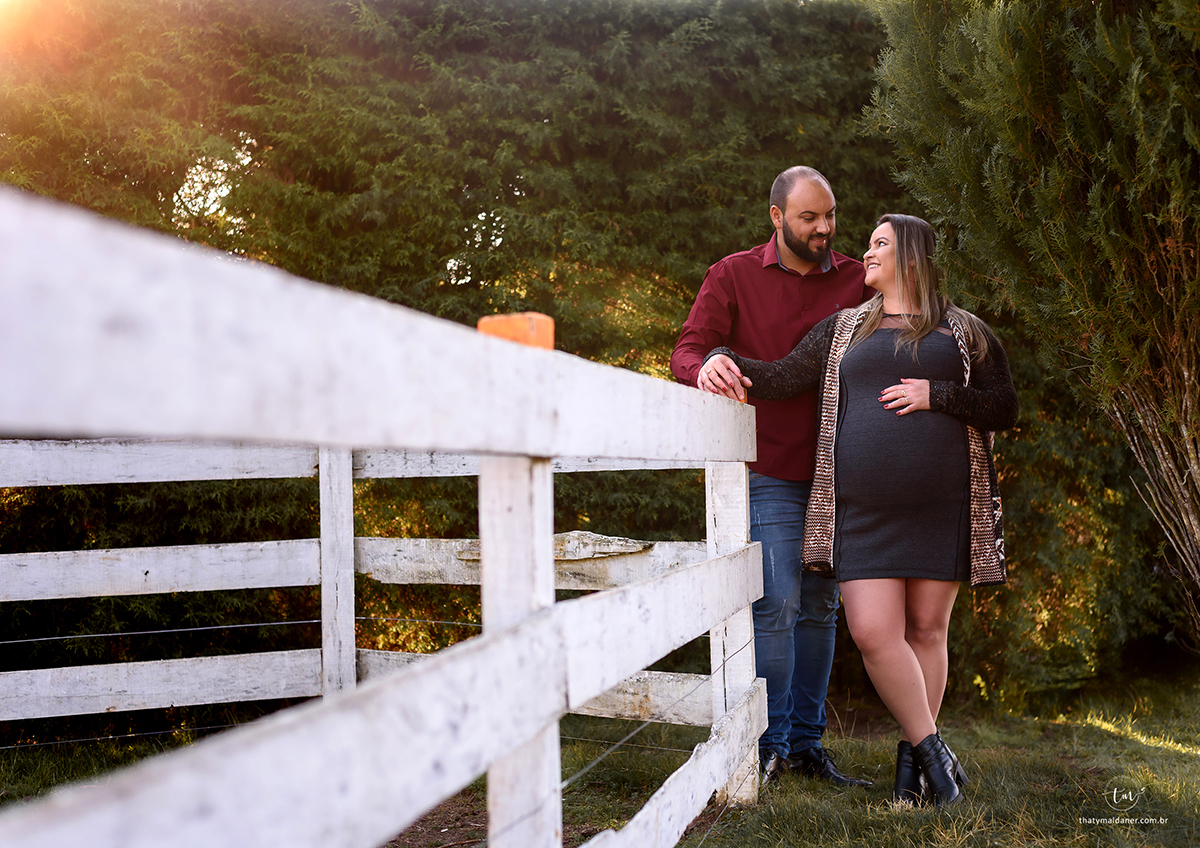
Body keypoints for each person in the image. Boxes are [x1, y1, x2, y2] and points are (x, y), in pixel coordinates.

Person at [701, 213, 1018, 805]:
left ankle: (911, 771)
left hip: (943, 506)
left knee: (926, 630)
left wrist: (938, 395)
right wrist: (720, 356)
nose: (865, 253)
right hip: (862, 512)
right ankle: (936, 757)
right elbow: (778, 378)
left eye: (879, 244)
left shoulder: (965, 331)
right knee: (874, 633)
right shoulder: (842, 328)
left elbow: (1004, 406)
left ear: (914, 257)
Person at [671, 166, 873, 787]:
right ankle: (770, 744)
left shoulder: (858, 282)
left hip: (839, 476)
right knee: (778, 602)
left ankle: (808, 746)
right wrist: (706, 367)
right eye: (809, 217)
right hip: (768, 467)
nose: (824, 228)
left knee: (820, 607)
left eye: (830, 215)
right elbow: (686, 350)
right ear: (777, 218)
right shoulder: (732, 275)